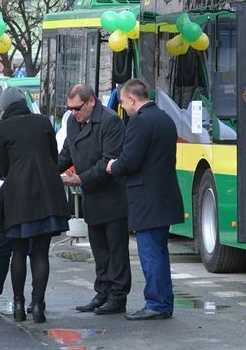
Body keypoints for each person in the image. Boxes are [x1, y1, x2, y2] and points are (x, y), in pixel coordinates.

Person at [107, 78, 184, 320]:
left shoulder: (140, 123)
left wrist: (113, 166)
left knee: (151, 254)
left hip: (146, 200)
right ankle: (162, 302)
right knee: (159, 252)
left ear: (131, 98)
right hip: (163, 195)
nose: (124, 108)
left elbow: (130, 160)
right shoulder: (164, 118)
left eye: (123, 103)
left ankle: (156, 304)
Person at [0, 86, 69, 324]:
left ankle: (18, 304)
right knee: (41, 253)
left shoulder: (1, 129)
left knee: (18, 251)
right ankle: (38, 305)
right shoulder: (43, 122)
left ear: (3, 107)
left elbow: (3, 167)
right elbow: (53, 157)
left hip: (18, 196)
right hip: (47, 193)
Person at [58, 84, 130, 315]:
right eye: (70, 109)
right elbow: (67, 153)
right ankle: (103, 292)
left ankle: (118, 296)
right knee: (99, 250)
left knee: (116, 250)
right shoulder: (73, 121)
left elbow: (109, 161)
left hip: (111, 195)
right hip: (91, 196)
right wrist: (48, 171)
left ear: (91, 102)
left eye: (77, 108)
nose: (73, 113)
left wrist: (80, 179)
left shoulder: (110, 121)